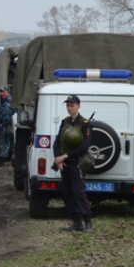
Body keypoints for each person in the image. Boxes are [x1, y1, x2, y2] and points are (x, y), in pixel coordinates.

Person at [52, 94, 94, 233]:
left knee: (78, 192)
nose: (69, 108)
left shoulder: (85, 124)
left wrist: (64, 156)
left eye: (72, 105)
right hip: (64, 164)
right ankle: (76, 222)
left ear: (78, 106)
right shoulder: (65, 122)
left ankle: (88, 221)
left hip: (76, 163)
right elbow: (58, 142)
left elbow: (84, 147)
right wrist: (58, 159)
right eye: (68, 106)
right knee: (68, 193)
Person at [0, 86, 16, 165]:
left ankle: (2, 160)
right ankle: (9, 158)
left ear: (8, 92)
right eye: (1, 92)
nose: (2, 93)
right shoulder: (8, 101)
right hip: (9, 125)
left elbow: (7, 116)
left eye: (4, 92)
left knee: (4, 142)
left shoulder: (7, 102)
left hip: (6, 125)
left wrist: (2, 123)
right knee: (9, 142)